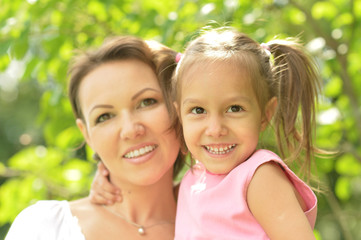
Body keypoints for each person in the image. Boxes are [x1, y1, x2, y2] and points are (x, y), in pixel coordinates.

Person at [92, 27, 324, 239]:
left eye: (234, 109)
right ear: (179, 115)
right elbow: (151, 199)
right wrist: (109, 180)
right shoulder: (193, 180)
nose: (215, 129)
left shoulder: (259, 177)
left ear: (265, 114)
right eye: (198, 110)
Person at [5, 35, 184, 240]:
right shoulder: (46, 227)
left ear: (181, 106)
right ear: (86, 134)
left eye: (147, 102)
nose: (130, 130)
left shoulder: (216, 221)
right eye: (104, 117)